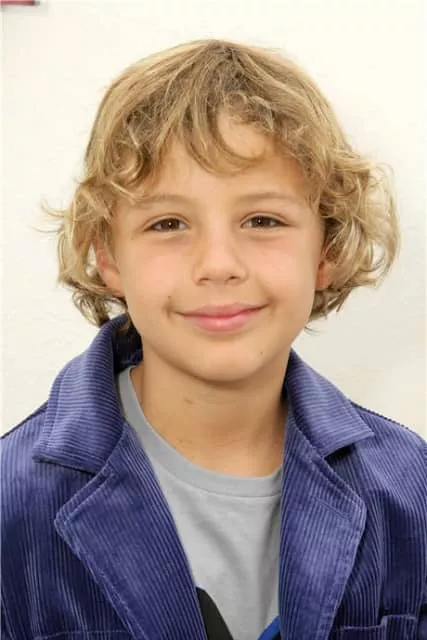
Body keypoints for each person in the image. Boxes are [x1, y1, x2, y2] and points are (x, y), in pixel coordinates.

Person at [1, 38, 426, 640]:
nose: (219, 264)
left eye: (263, 220)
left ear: (326, 249)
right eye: (168, 223)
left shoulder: (413, 490)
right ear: (107, 255)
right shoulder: (12, 504)